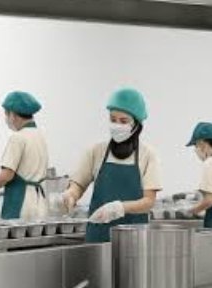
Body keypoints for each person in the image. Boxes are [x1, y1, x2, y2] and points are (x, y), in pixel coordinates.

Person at [62, 88, 163, 243]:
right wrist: (71, 195)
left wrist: (119, 208)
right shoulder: (96, 151)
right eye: (113, 119)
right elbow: (78, 184)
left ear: (136, 124)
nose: (117, 125)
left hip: (133, 240)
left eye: (123, 121)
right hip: (98, 236)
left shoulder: (148, 155)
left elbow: (148, 201)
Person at [0, 91, 50, 220]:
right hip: (39, 202)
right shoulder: (40, 136)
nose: (6, 119)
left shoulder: (18, 138)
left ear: (13, 115)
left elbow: (6, 176)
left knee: (18, 232)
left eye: (6, 114)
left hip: (21, 203)